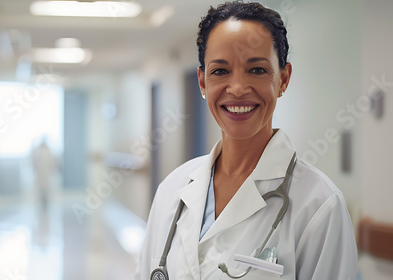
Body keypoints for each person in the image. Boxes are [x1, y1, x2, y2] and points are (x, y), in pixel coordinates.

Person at [135, 1, 358, 279]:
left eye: (257, 70)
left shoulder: (319, 205)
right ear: (203, 82)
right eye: (220, 71)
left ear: (283, 79)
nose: (238, 88)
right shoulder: (172, 190)